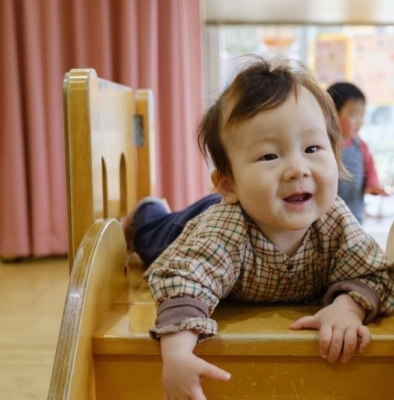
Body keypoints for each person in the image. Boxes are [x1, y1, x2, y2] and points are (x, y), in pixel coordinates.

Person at [123, 57, 394, 400]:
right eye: (269, 156)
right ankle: (149, 209)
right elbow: (186, 281)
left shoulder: (334, 219)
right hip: (202, 223)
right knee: (152, 238)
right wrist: (177, 353)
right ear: (228, 183)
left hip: (255, 205)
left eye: (312, 148)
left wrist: (348, 306)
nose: (298, 169)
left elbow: (375, 272)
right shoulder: (223, 230)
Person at [326, 82, 388, 223]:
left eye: (362, 114)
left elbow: (369, 169)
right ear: (331, 114)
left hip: (355, 216)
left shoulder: (360, 145)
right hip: (326, 218)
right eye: (354, 114)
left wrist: (374, 186)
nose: (360, 121)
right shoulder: (323, 146)